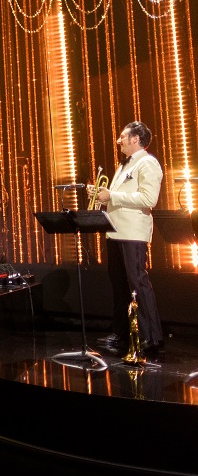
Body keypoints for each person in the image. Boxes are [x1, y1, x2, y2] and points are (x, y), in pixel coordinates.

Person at [88, 121, 164, 356]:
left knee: (137, 283)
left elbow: (149, 198)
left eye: (123, 137)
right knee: (119, 286)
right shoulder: (124, 165)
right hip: (115, 231)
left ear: (135, 139)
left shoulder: (147, 163)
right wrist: (101, 195)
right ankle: (121, 333)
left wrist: (112, 195)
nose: (118, 140)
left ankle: (151, 337)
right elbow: (116, 197)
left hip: (132, 233)